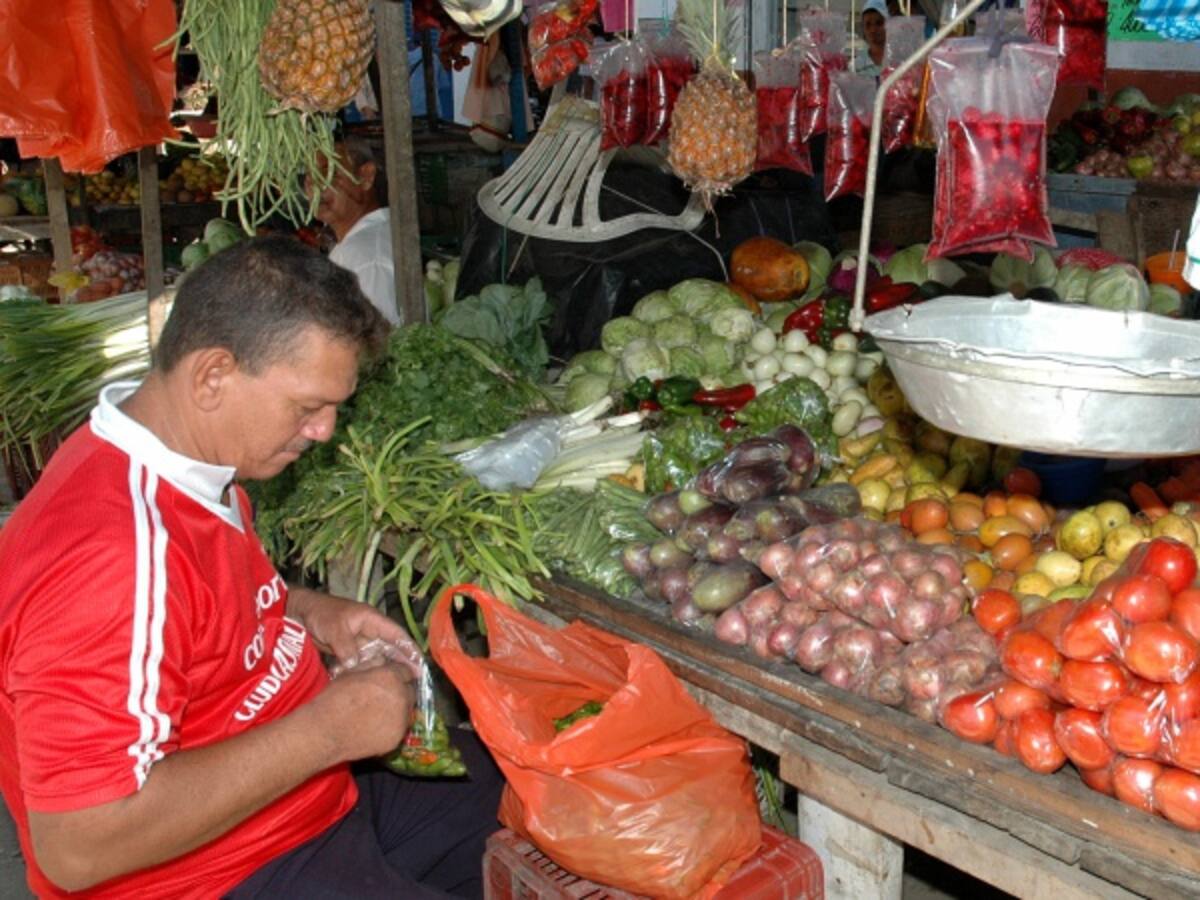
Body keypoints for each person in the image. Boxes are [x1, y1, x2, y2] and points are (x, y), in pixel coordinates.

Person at [0, 236, 503, 899]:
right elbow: (78, 841)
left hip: (302, 797)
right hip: (219, 872)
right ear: (213, 375)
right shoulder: (113, 559)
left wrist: (313, 613)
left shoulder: (187, 462)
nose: (325, 431)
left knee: (510, 789)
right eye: (307, 407)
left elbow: (197, 609)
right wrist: (330, 730)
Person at [308, 138, 400, 326]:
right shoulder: (373, 237)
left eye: (327, 172)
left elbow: (375, 344)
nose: (313, 186)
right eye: (308, 175)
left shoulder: (366, 257)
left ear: (366, 176)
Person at [856, 0, 890, 79]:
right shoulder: (856, 67)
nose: (873, 29)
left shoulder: (898, 61)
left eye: (879, 23)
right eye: (868, 24)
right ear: (863, 28)